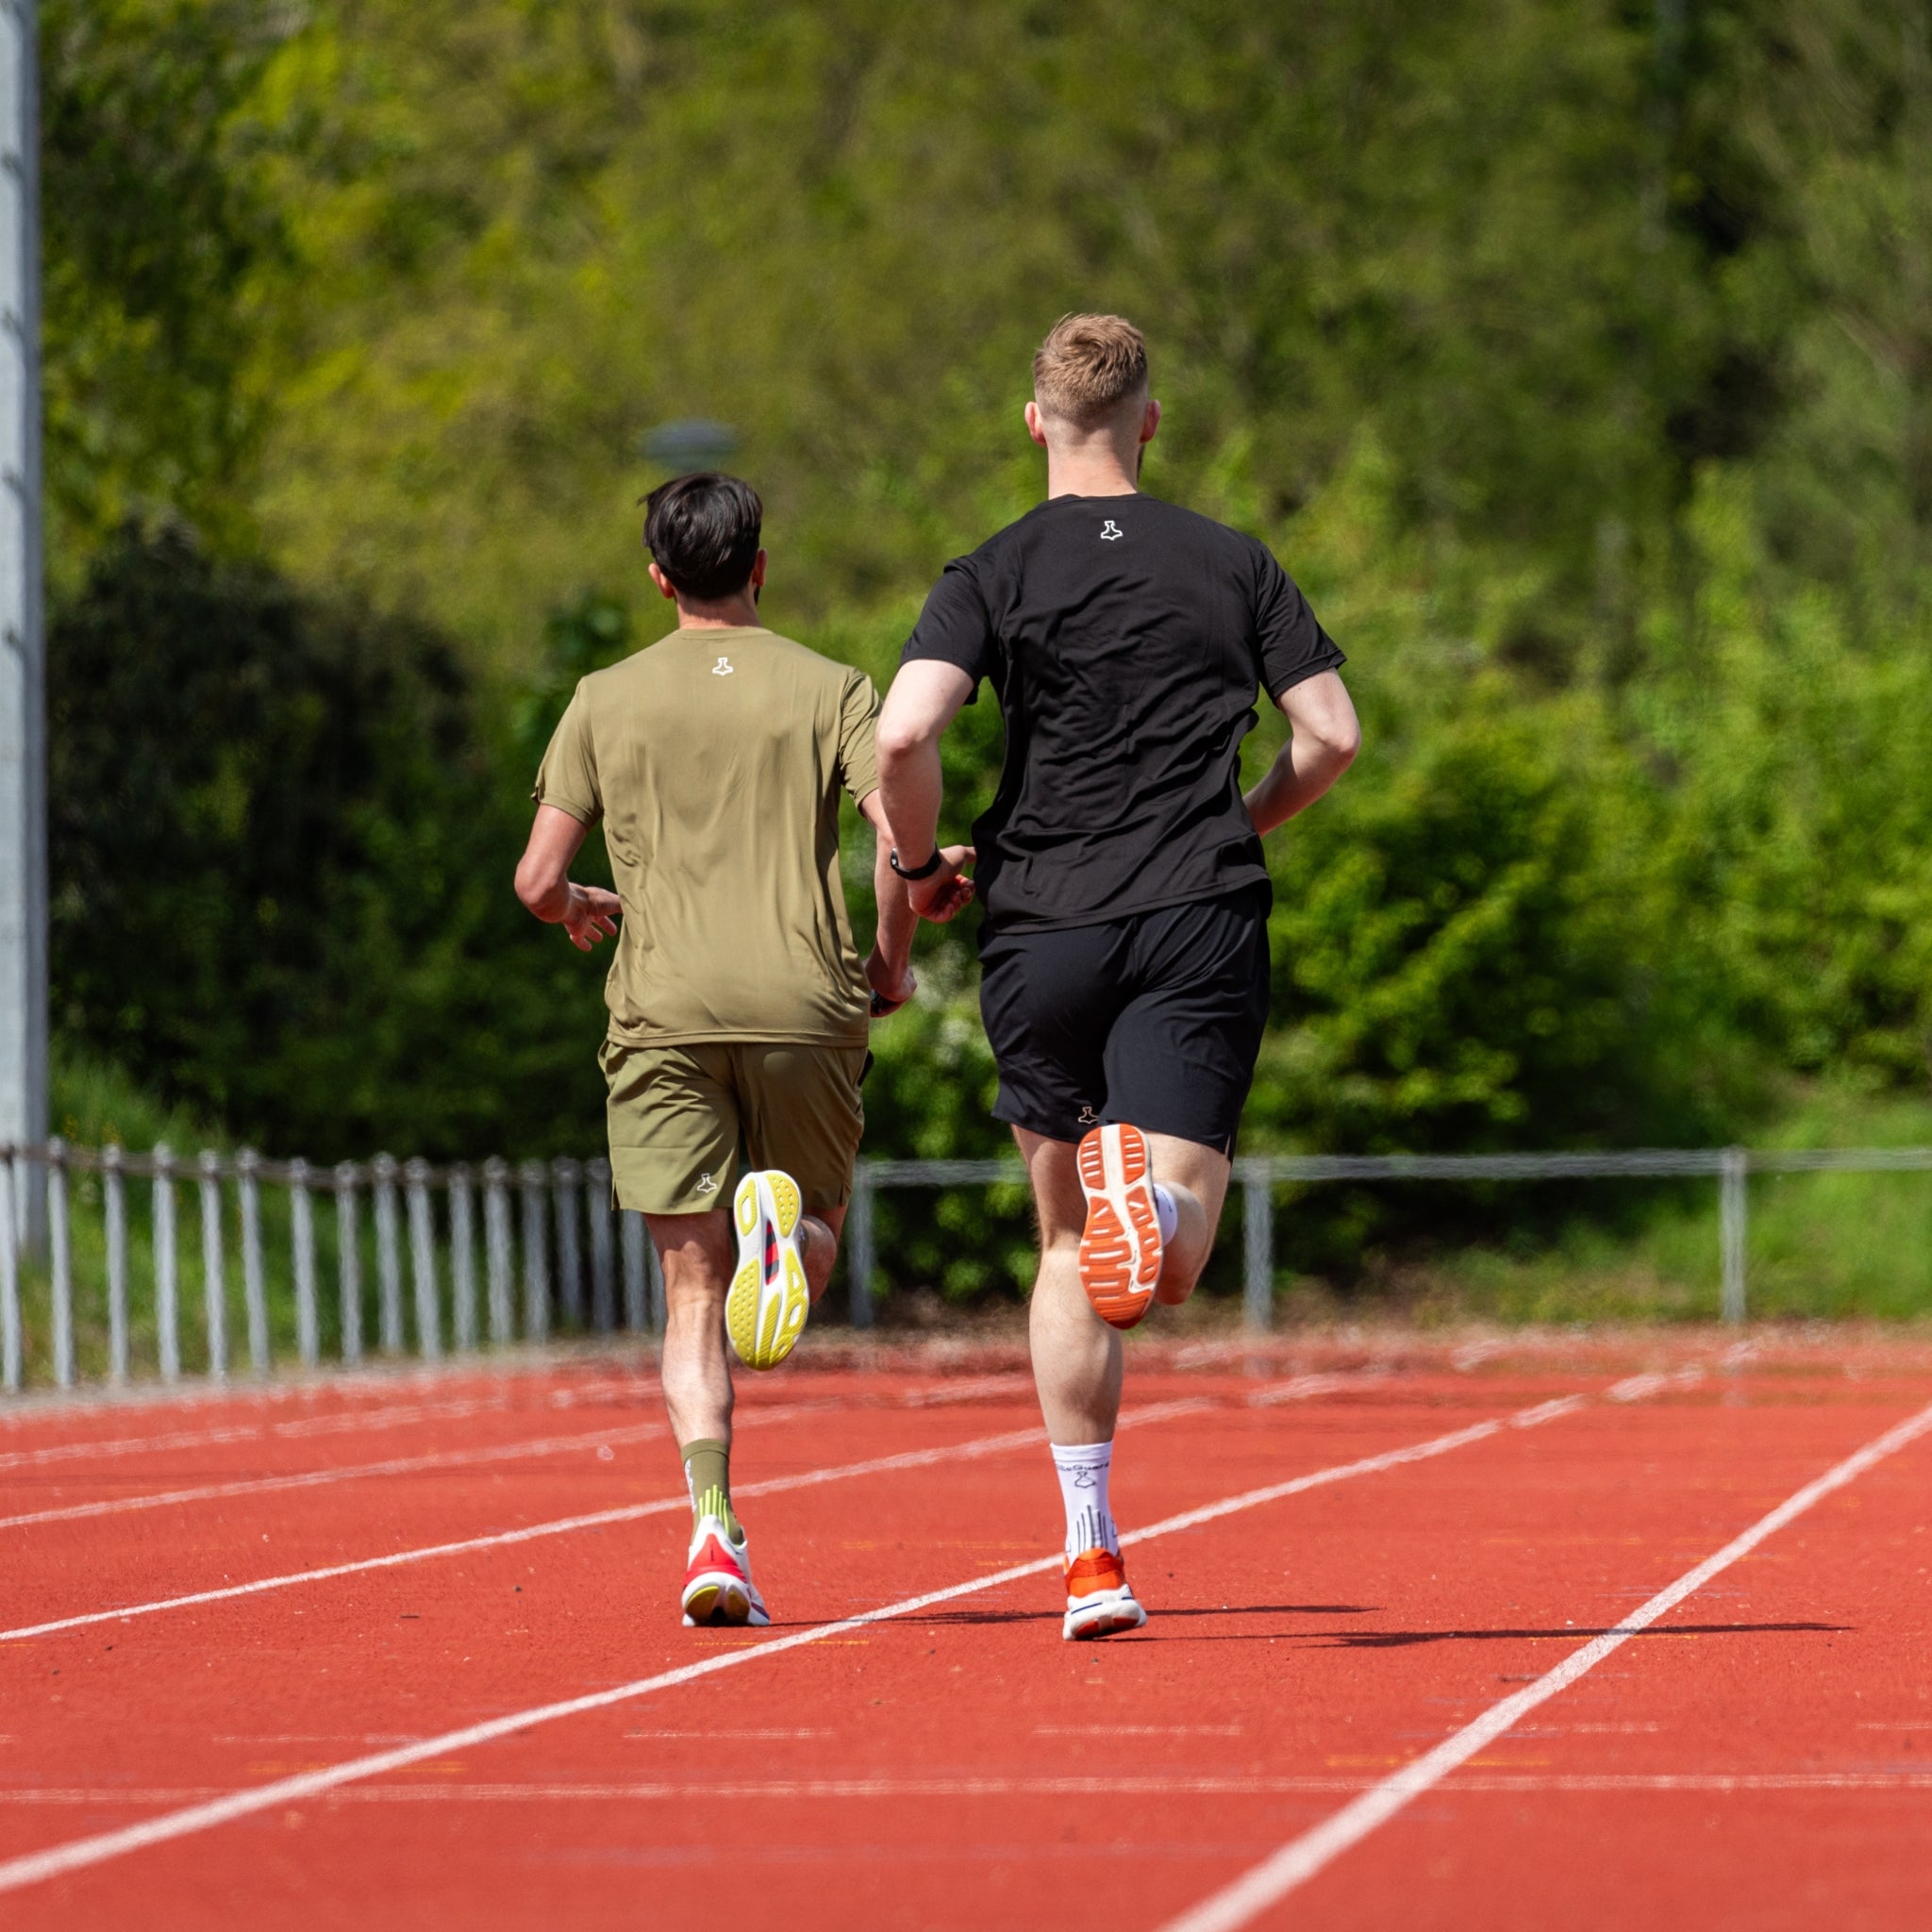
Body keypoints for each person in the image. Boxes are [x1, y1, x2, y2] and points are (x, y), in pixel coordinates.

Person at [875, 314, 1360, 1641]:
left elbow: (906, 729)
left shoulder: (991, 570)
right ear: (1151, 421)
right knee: (1169, 1251)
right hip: (1196, 905)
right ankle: (1151, 1195)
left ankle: (1092, 1553)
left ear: (1033, 422)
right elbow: (1332, 735)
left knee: (1065, 1251)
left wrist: (918, 865)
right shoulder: (1231, 561)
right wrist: (1242, 820)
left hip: (1041, 921)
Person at [514, 472, 960, 1628]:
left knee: (687, 1290)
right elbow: (896, 830)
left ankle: (713, 1526)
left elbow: (534, 878)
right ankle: (792, 1233)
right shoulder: (833, 689)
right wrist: (894, 949)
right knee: (811, 1237)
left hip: (662, 1007)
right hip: (804, 1001)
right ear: (760, 566)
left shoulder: (603, 698)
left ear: (658, 577)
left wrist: (574, 912)